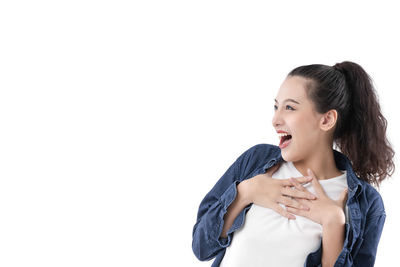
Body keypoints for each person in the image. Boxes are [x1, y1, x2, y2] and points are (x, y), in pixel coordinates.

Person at [191, 61, 395, 267]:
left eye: (289, 107)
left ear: (327, 120)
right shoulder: (256, 161)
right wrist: (245, 192)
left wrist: (333, 223)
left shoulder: (366, 203)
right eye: (276, 106)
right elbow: (201, 247)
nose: (275, 119)